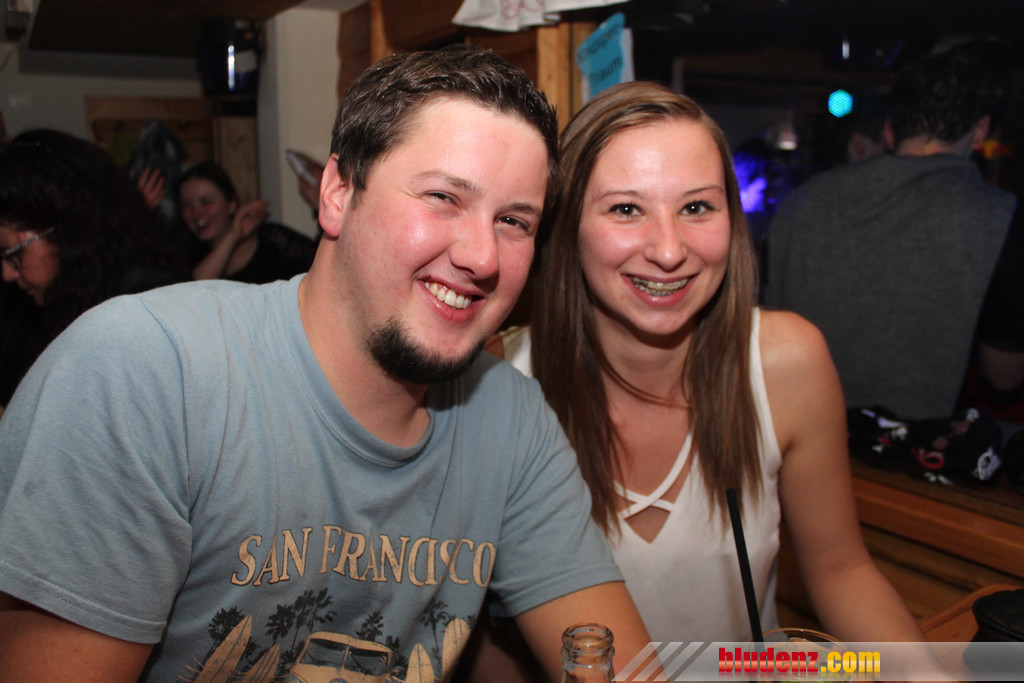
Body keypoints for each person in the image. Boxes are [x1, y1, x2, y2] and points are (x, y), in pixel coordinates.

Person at [0, 45, 655, 682]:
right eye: (443, 197)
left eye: (514, 221)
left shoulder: (511, 418)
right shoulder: (144, 371)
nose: (483, 256)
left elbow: (612, 657)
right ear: (338, 192)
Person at [470, 81, 924, 675]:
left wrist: (925, 672)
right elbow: (485, 632)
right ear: (568, 225)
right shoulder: (496, 384)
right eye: (626, 209)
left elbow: (842, 570)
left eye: (696, 208)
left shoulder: (787, 362)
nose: (668, 250)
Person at [764, 45, 1021, 419]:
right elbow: (1004, 377)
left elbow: (764, 327)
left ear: (888, 130)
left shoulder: (806, 197)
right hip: (913, 448)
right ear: (980, 131)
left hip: (793, 430)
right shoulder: (1003, 217)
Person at [0, 128, 186, 408]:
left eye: (13, 254)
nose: (6, 273)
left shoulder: (145, 309)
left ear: (66, 232)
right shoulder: (46, 309)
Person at [178, 160, 317, 283]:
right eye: (187, 205)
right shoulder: (185, 256)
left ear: (231, 204)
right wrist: (232, 237)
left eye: (206, 202)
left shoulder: (274, 240)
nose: (196, 213)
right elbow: (193, 293)